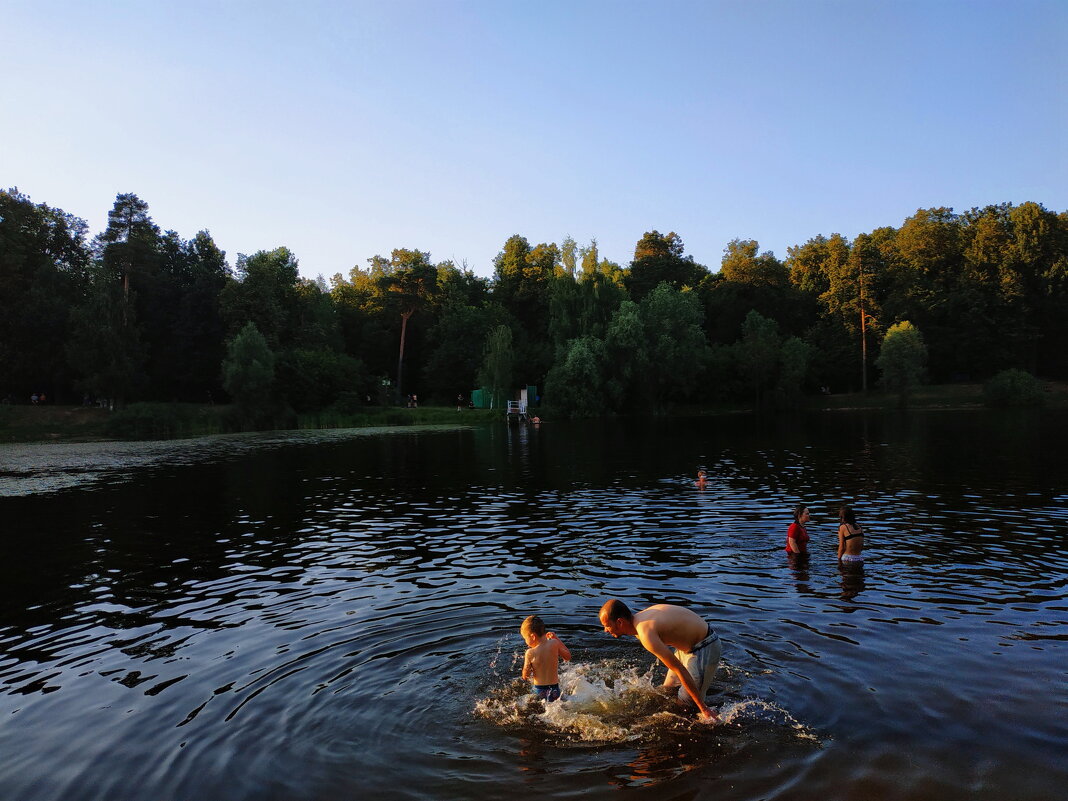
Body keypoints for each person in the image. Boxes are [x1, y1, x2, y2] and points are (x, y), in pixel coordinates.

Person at [598, 600, 720, 721]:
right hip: (685, 648)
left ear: (620, 622)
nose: (606, 630)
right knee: (667, 691)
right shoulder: (639, 620)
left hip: (704, 647)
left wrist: (703, 708)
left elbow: (679, 669)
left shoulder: (645, 632)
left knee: (686, 706)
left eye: (607, 625)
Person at [521, 615, 571, 702]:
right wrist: (556, 638)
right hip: (555, 690)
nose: (525, 642)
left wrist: (527, 669)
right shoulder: (554, 643)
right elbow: (567, 657)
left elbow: (526, 676)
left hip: (539, 691)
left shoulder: (530, 652)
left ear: (533, 636)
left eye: (525, 638)